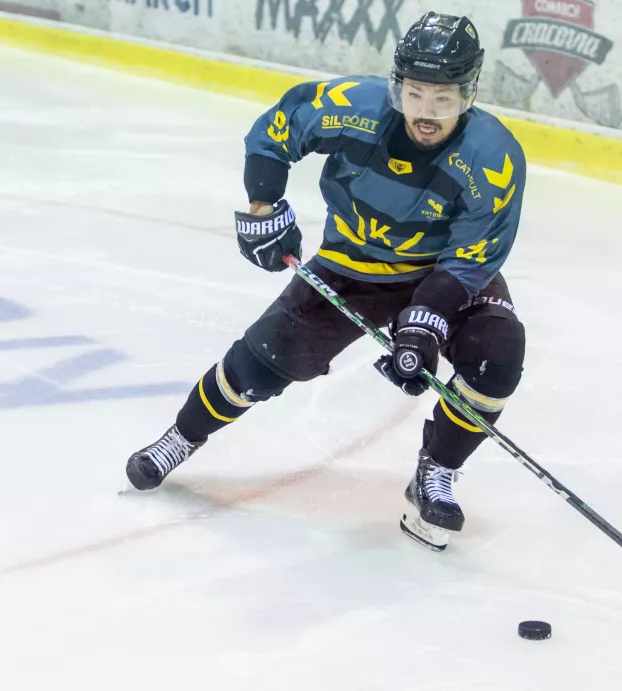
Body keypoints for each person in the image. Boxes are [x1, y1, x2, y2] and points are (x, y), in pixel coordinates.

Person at [126, 11, 527, 552]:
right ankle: (182, 436)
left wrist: (425, 321)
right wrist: (263, 206)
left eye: (443, 99)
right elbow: (277, 128)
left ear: (468, 93)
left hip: (440, 275)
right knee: (258, 362)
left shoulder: (493, 157)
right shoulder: (354, 107)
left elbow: (472, 256)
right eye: (415, 94)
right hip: (349, 264)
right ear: (397, 85)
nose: (426, 113)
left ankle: (436, 472)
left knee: (496, 352)